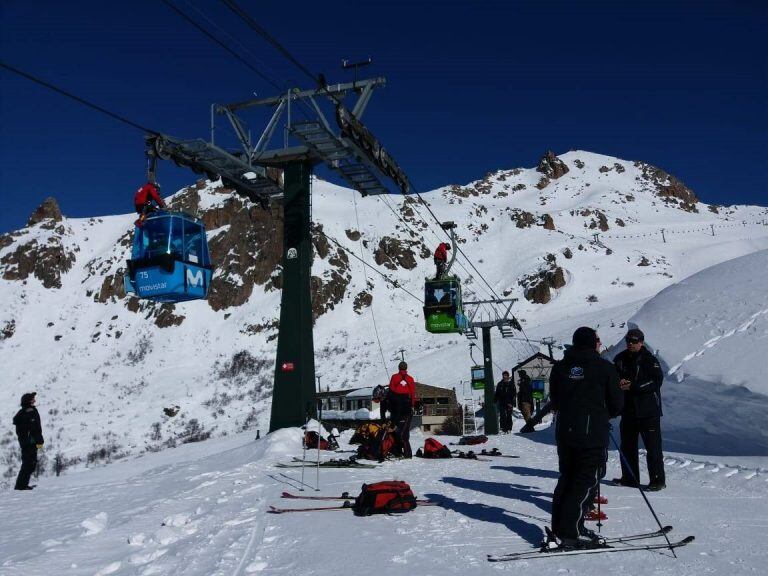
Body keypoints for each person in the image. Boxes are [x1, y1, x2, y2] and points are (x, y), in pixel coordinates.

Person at [549, 327, 623, 549]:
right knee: (586, 481)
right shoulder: (604, 368)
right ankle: (570, 532)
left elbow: (556, 400)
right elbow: (617, 404)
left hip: (566, 431)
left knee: (567, 478)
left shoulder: (560, 368)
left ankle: (565, 527)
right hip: (592, 433)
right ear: (594, 343)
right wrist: (599, 414)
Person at [613, 328, 666, 491]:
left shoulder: (649, 360)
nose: (630, 343)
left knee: (653, 447)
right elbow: (613, 379)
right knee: (627, 446)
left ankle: (657, 480)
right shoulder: (620, 359)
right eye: (628, 340)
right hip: (628, 410)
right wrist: (618, 384)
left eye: (634, 341)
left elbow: (656, 381)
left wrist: (633, 386)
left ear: (641, 342)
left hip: (648, 411)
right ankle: (629, 477)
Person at [13, 392, 44, 491]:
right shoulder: (29, 413)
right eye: (32, 399)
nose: (34, 401)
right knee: (29, 464)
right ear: (28, 401)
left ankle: (22, 485)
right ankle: (21, 486)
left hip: (27, 442)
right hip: (30, 442)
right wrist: (39, 441)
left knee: (29, 464)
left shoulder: (24, 412)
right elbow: (34, 429)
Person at [388, 361, 418, 458]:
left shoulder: (394, 377)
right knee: (404, 433)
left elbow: (391, 391)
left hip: (396, 409)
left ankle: (396, 451)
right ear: (406, 368)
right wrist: (412, 405)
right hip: (407, 409)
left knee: (394, 430)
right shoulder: (410, 379)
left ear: (399, 368)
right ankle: (407, 453)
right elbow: (413, 394)